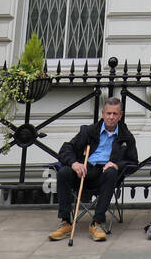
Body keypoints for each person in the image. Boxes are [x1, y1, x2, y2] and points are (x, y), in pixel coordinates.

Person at [49, 96, 138, 242]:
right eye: (108, 113)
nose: (111, 117)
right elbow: (66, 149)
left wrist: (116, 165)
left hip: (105, 175)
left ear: (120, 115)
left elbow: (133, 162)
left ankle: (97, 223)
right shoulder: (89, 131)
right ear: (102, 113)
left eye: (115, 114)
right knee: (64, 172)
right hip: (84, 170)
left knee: (111, 173)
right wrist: (74, 164)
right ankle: (65, 222)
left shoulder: (126, 137)